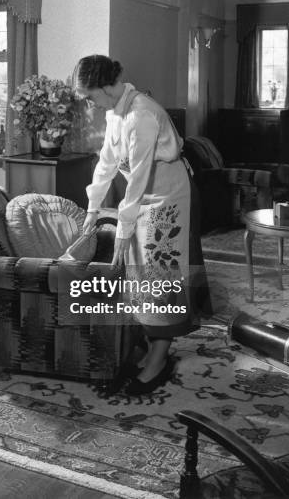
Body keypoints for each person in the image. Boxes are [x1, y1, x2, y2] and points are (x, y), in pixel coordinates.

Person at [72, 54, 211, 396]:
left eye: (91, 96)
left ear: (106, 86)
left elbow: (136, 179)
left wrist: (123, 225)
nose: (90, 104)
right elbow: (106, 163)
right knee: (140, 273)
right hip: (144, 194)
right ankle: (153, 348)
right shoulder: (116, 113)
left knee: (159, 274)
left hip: (167, 196)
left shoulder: (141, 115)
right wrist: (92, 209)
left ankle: (158, 360)